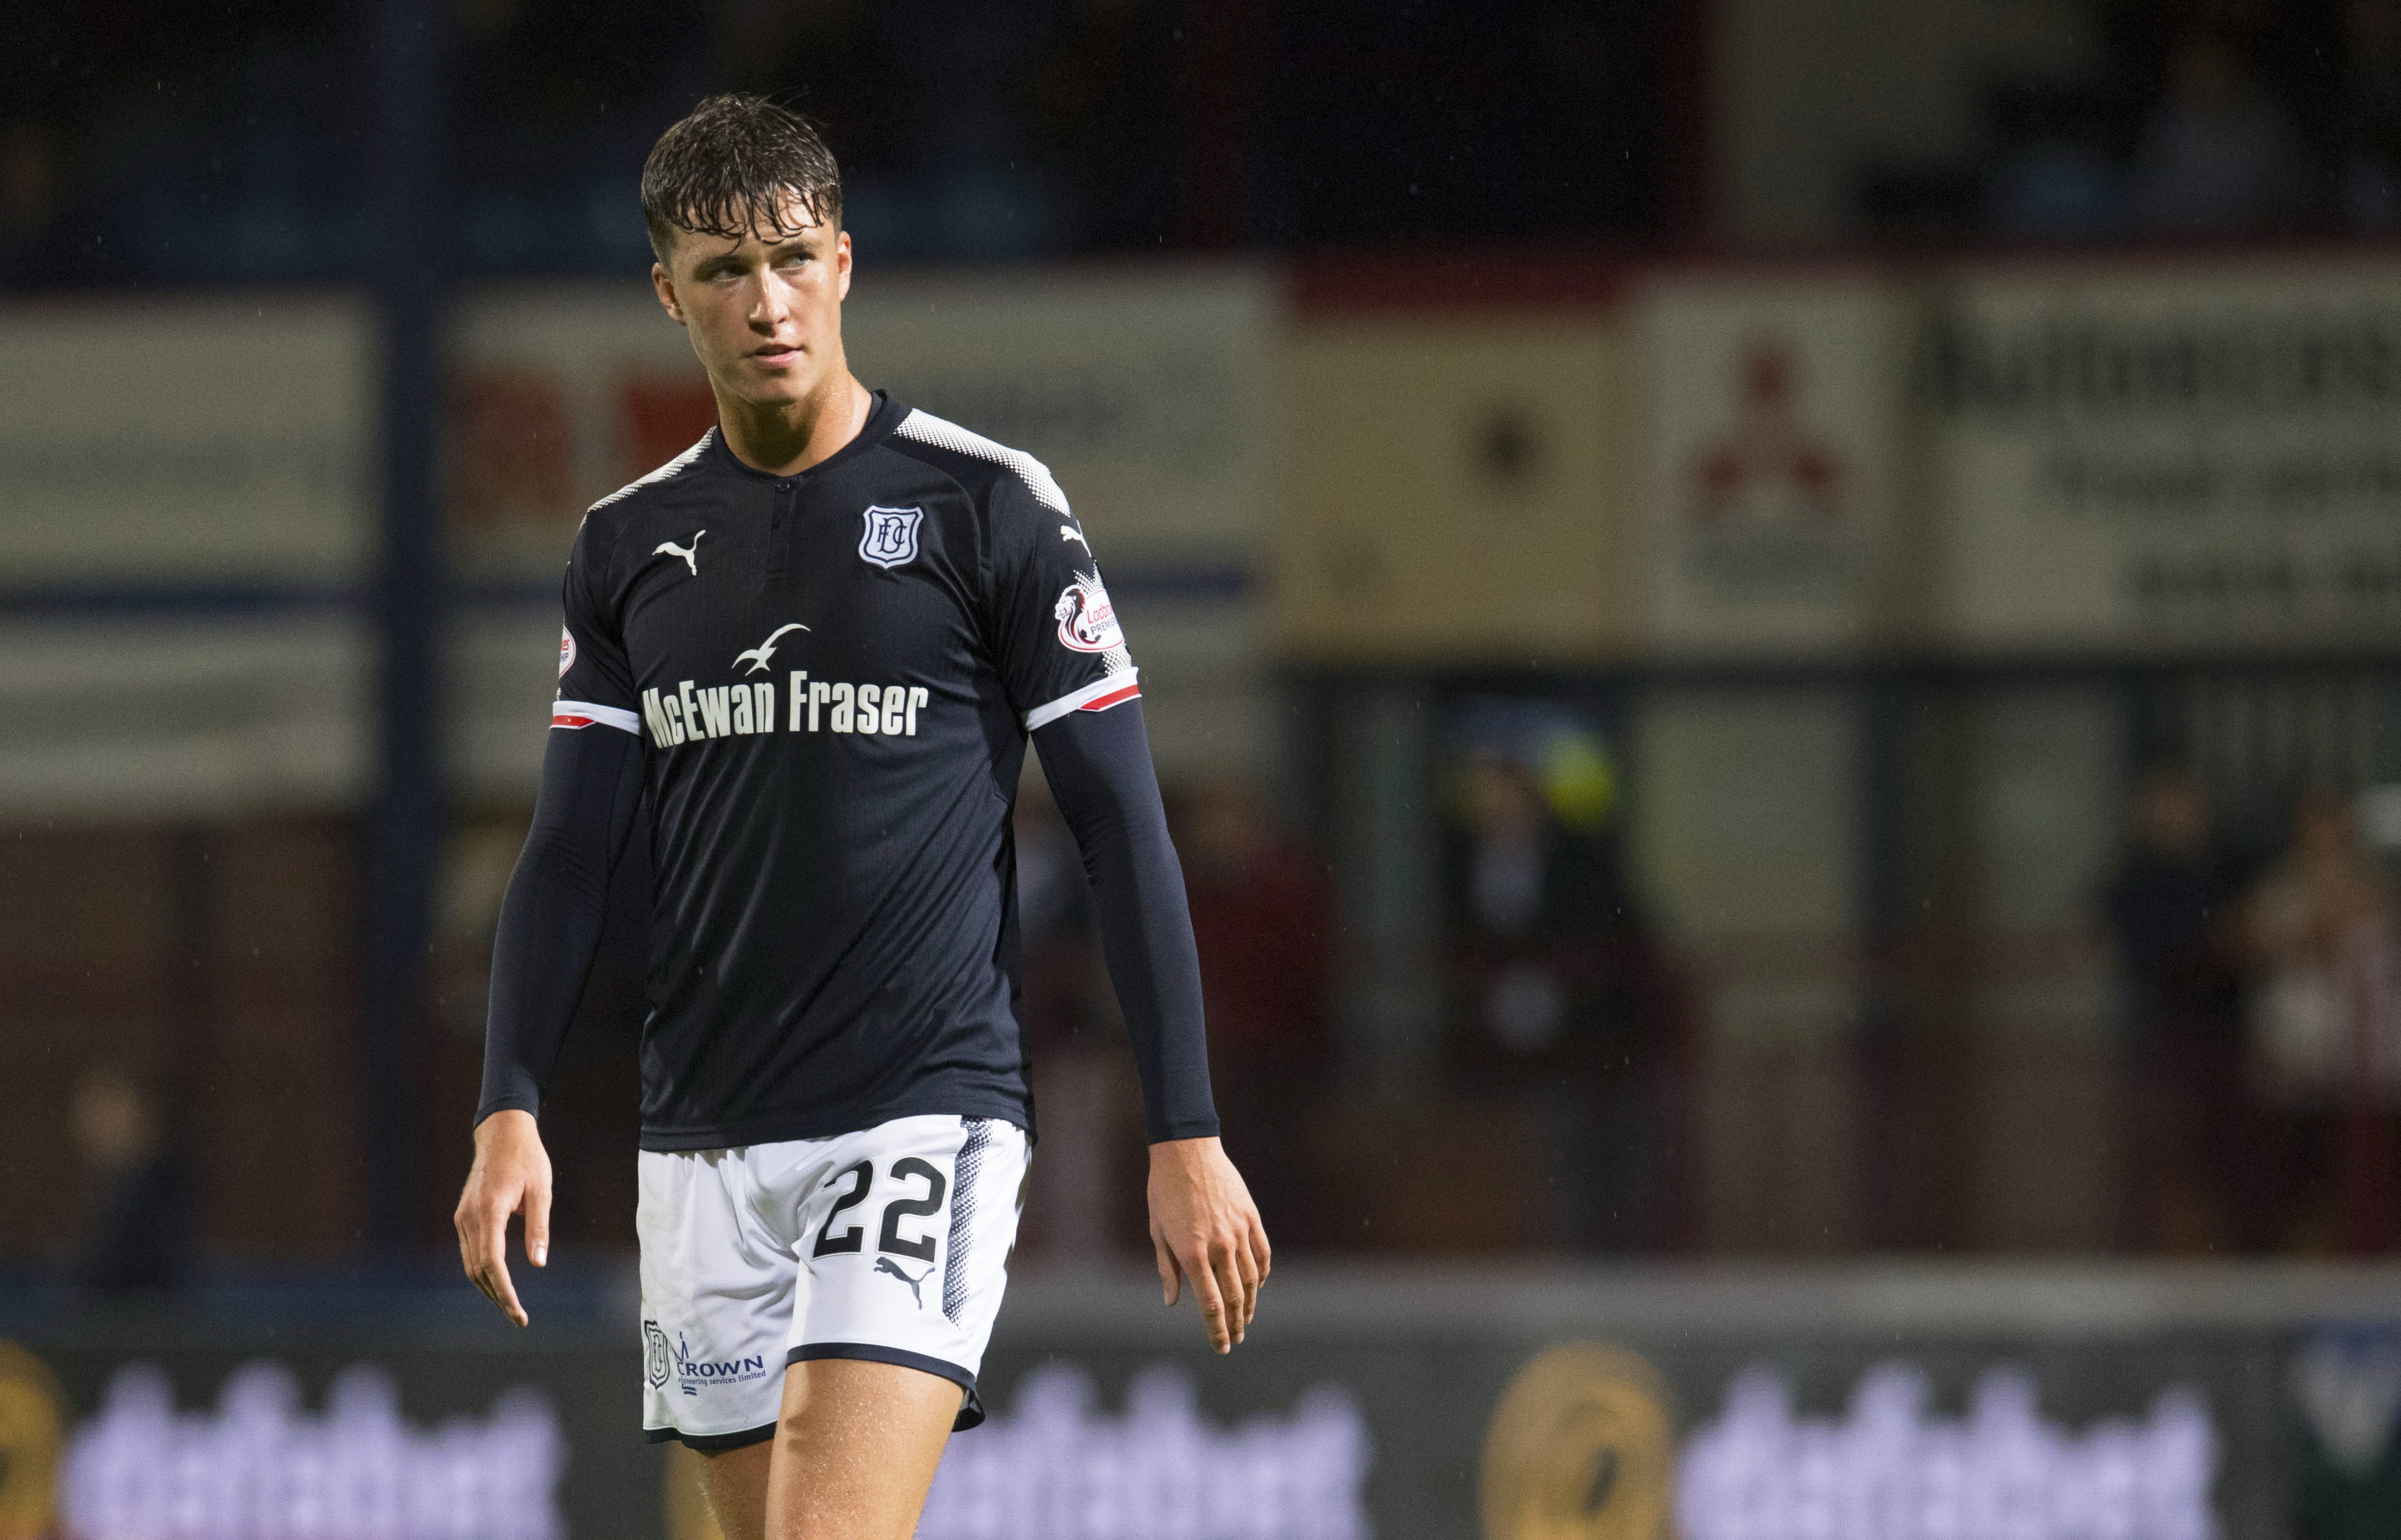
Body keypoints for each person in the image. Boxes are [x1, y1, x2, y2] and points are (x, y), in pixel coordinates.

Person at [452, 95, 1267, 1540]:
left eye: (791, 259)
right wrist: (507, 1100)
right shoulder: (626, 547)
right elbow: (570, 850)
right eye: (721, 270)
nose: (764, 302)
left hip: (920, 1112)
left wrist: (1184, 1128)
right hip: (699, 1135)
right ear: (668, 295)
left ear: (843, 262)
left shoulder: (987, 509)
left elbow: (1120, 825)